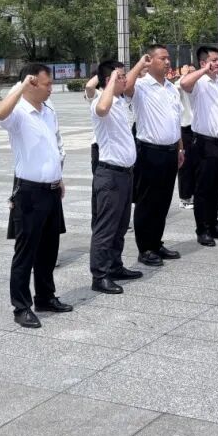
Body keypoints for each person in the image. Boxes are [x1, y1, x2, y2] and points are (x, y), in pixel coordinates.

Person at [0, 64, 74, 328]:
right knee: (25, 252)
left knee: (49, 250)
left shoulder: (49, 112)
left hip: (51, 189)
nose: (51, 87)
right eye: (46, 84)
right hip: (28, 192)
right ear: (30, 84)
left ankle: (45, 296)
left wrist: (59, 177)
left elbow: (56, 146)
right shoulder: (18, 113)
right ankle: (21, 306)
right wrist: (18, 87)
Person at [89, 58, 147, 294]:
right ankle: (99, 275)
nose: (126, 80)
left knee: (121, 225)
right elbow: (102, 109)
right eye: (120, 76)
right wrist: (112, 81)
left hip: (126, 174)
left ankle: (115, 265)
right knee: (106, 228)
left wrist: (135, 68)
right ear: (109, 80)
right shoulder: (100, 102)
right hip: (109, 174)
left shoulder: (122, 101)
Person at [125, 45, 184, 267]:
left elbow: (175, 120)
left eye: (168, 58)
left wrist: (180, 148)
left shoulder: (171, 88)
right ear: (151, 60)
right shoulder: (141, 86)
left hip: (170, 151)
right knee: (147, 202)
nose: (168, 62)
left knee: (163, 201)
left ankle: (156, 242)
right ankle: (145, 248)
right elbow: (125, 87)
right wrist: (141, 64)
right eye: (163, 58)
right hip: (149, 152)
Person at [179, 46, 218, 246]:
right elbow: (184, 83)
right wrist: (203, 71)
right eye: (214, 60)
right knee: (204, 189)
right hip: (204, 143)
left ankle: (213, 224)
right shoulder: (199, 82)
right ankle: (202, 229)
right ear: (203, 63)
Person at [176, 64, 197, 210]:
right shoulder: (181, 86)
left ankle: (195, 194)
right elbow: (177, 86)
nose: (193, 74)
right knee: (186, 165)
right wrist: (183, 75)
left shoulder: (199, 86)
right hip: (186, 129)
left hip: (198, 129)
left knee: (197, 164)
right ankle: (184, 197)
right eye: (190, 72)